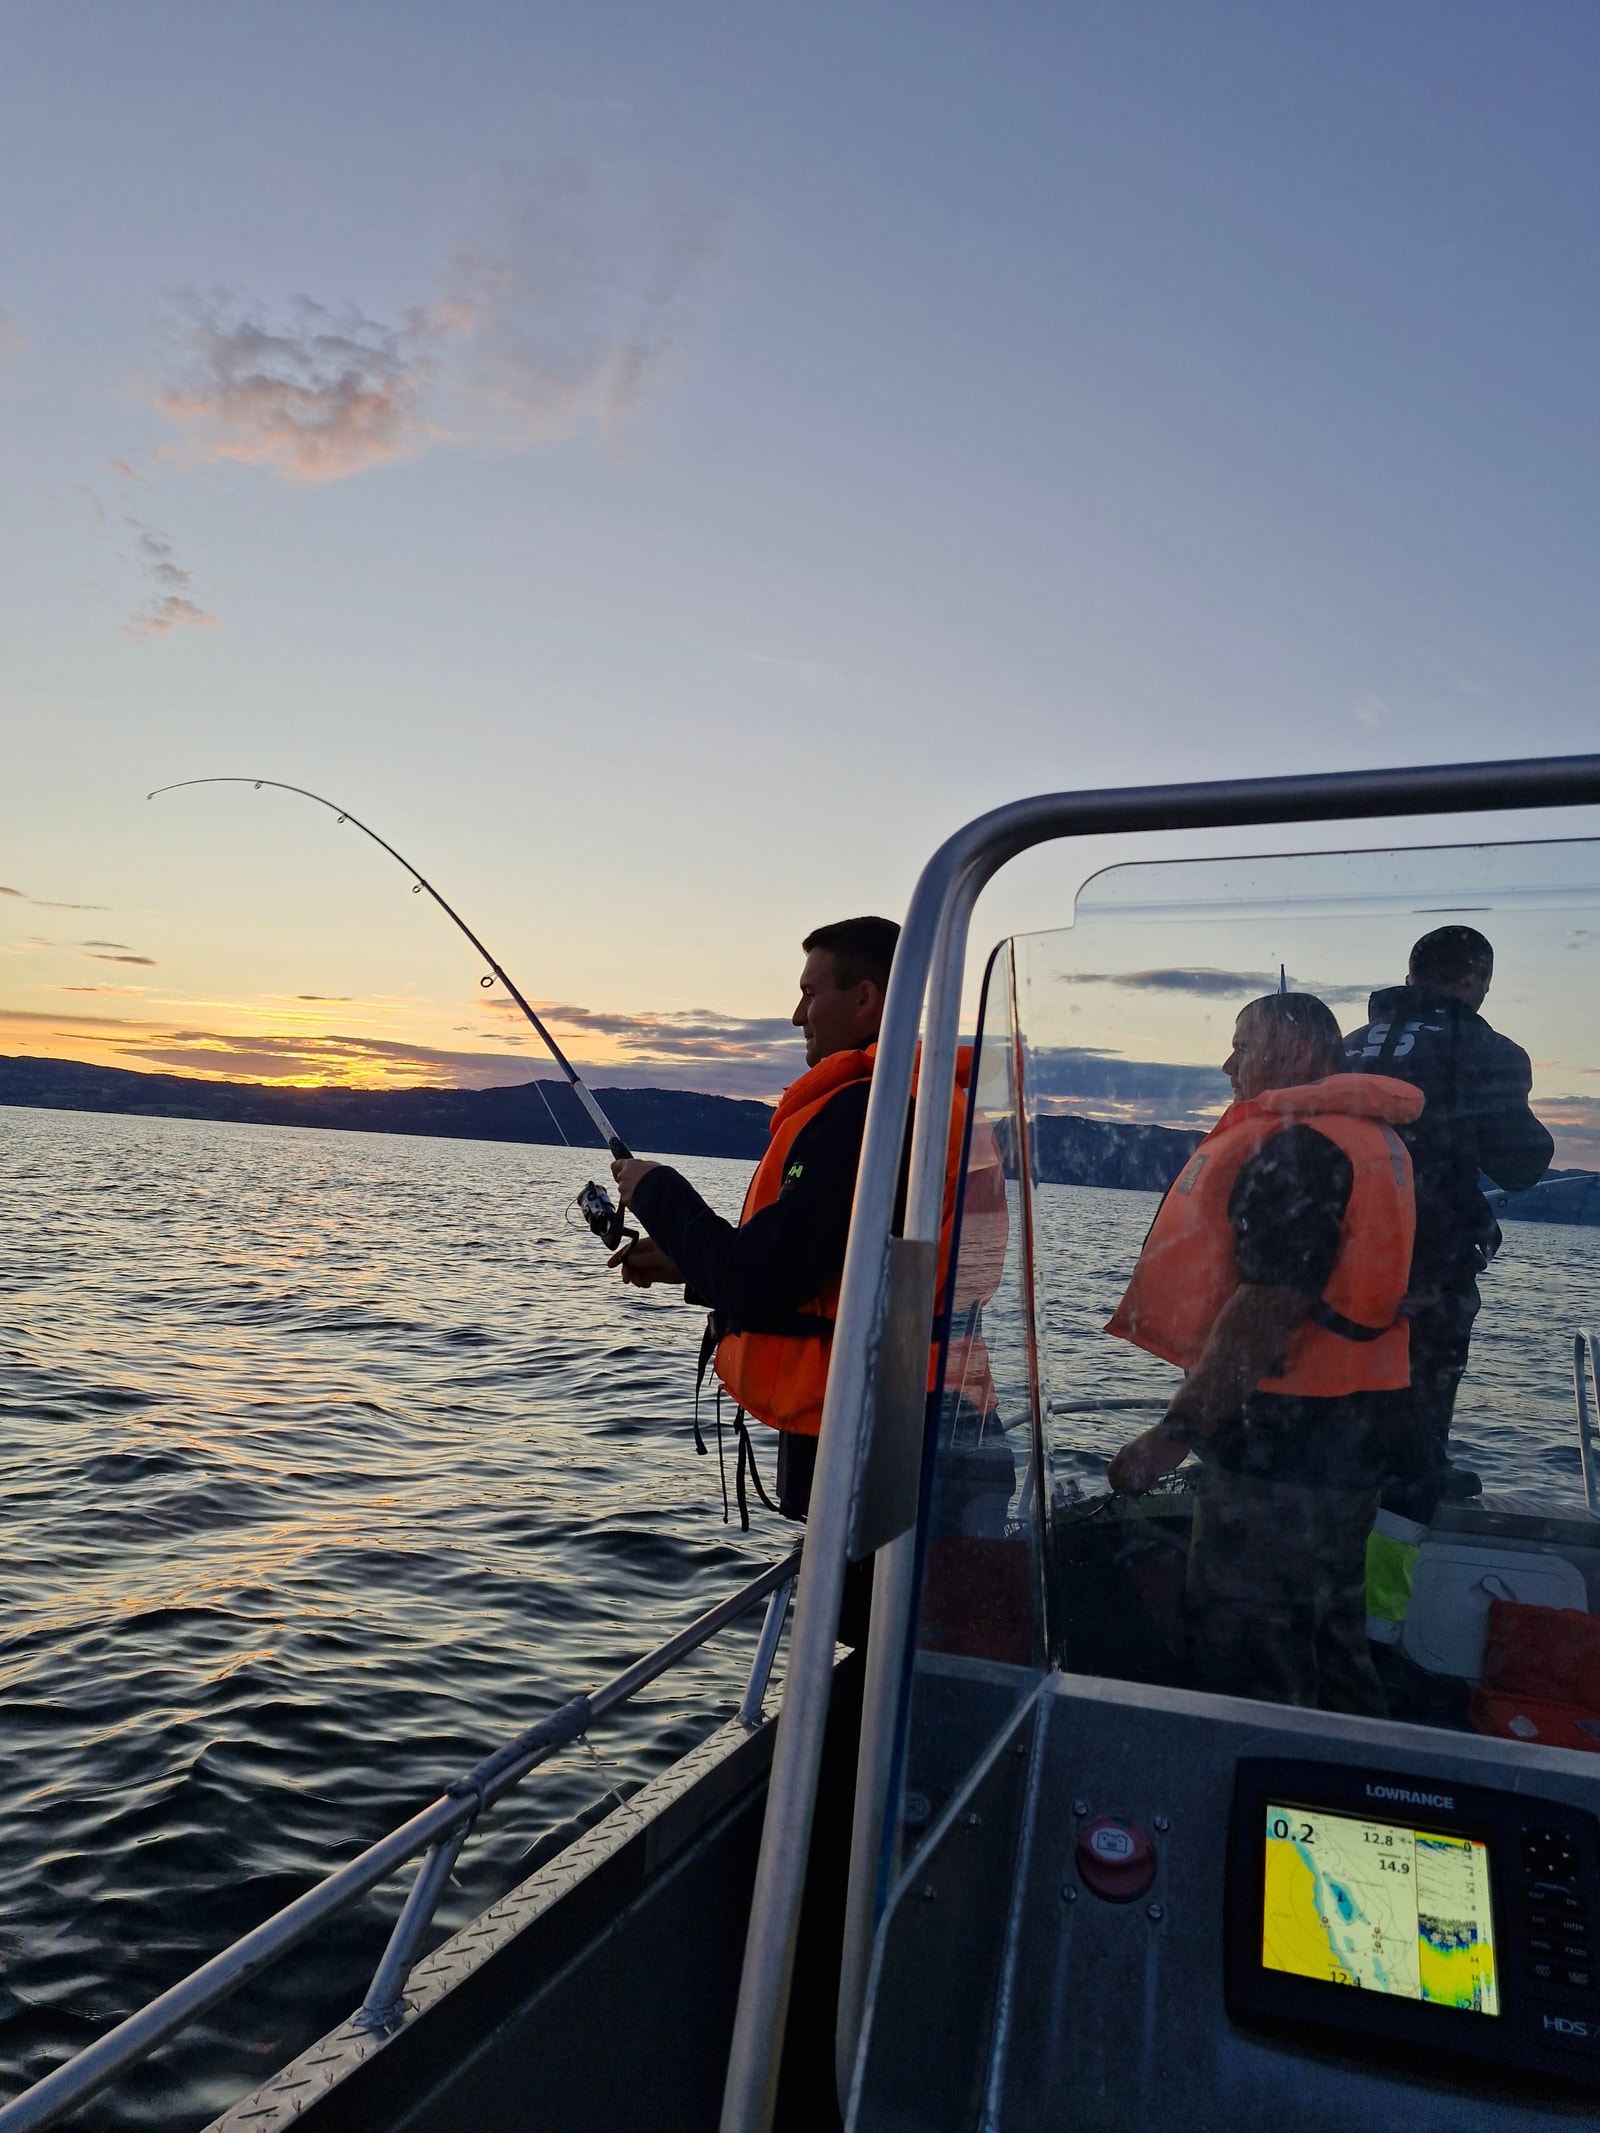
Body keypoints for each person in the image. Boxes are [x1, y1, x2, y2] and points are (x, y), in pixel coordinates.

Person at [608, 916, 995, 1543]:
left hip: (884, 1442)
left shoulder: (868, 1114)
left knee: (871, 1607)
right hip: (931, 1424)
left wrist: (656, 1191)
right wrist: (687, 1262)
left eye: (810, 994)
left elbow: (759, 1280)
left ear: (866, 999)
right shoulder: (920, 1105)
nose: (796, 1016)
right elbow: (838, 1267)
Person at [1104, 993, 1422, 1713]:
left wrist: (1174, 1434)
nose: (1228, 1063)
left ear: (1297, 1052)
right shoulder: (1379, 1144)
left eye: (1242, 1045)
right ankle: (1352, 1766)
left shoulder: (1301, 1149)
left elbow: (1267, 1307)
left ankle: (1253, 1770)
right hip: (1355, 1445)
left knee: (1248, 1657)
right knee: (1330, 1639)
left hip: (1283, 1453)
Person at [1345, 925, 1554, 1506]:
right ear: (1474, 977)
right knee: (1415, 1420)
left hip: (1328, 1254)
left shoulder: (1345, 1045)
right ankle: (1414, 1483)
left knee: (1339, 1391)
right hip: (1424, 1267)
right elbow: (1519, 1164)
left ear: (1409, 976)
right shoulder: (1487, 1050)